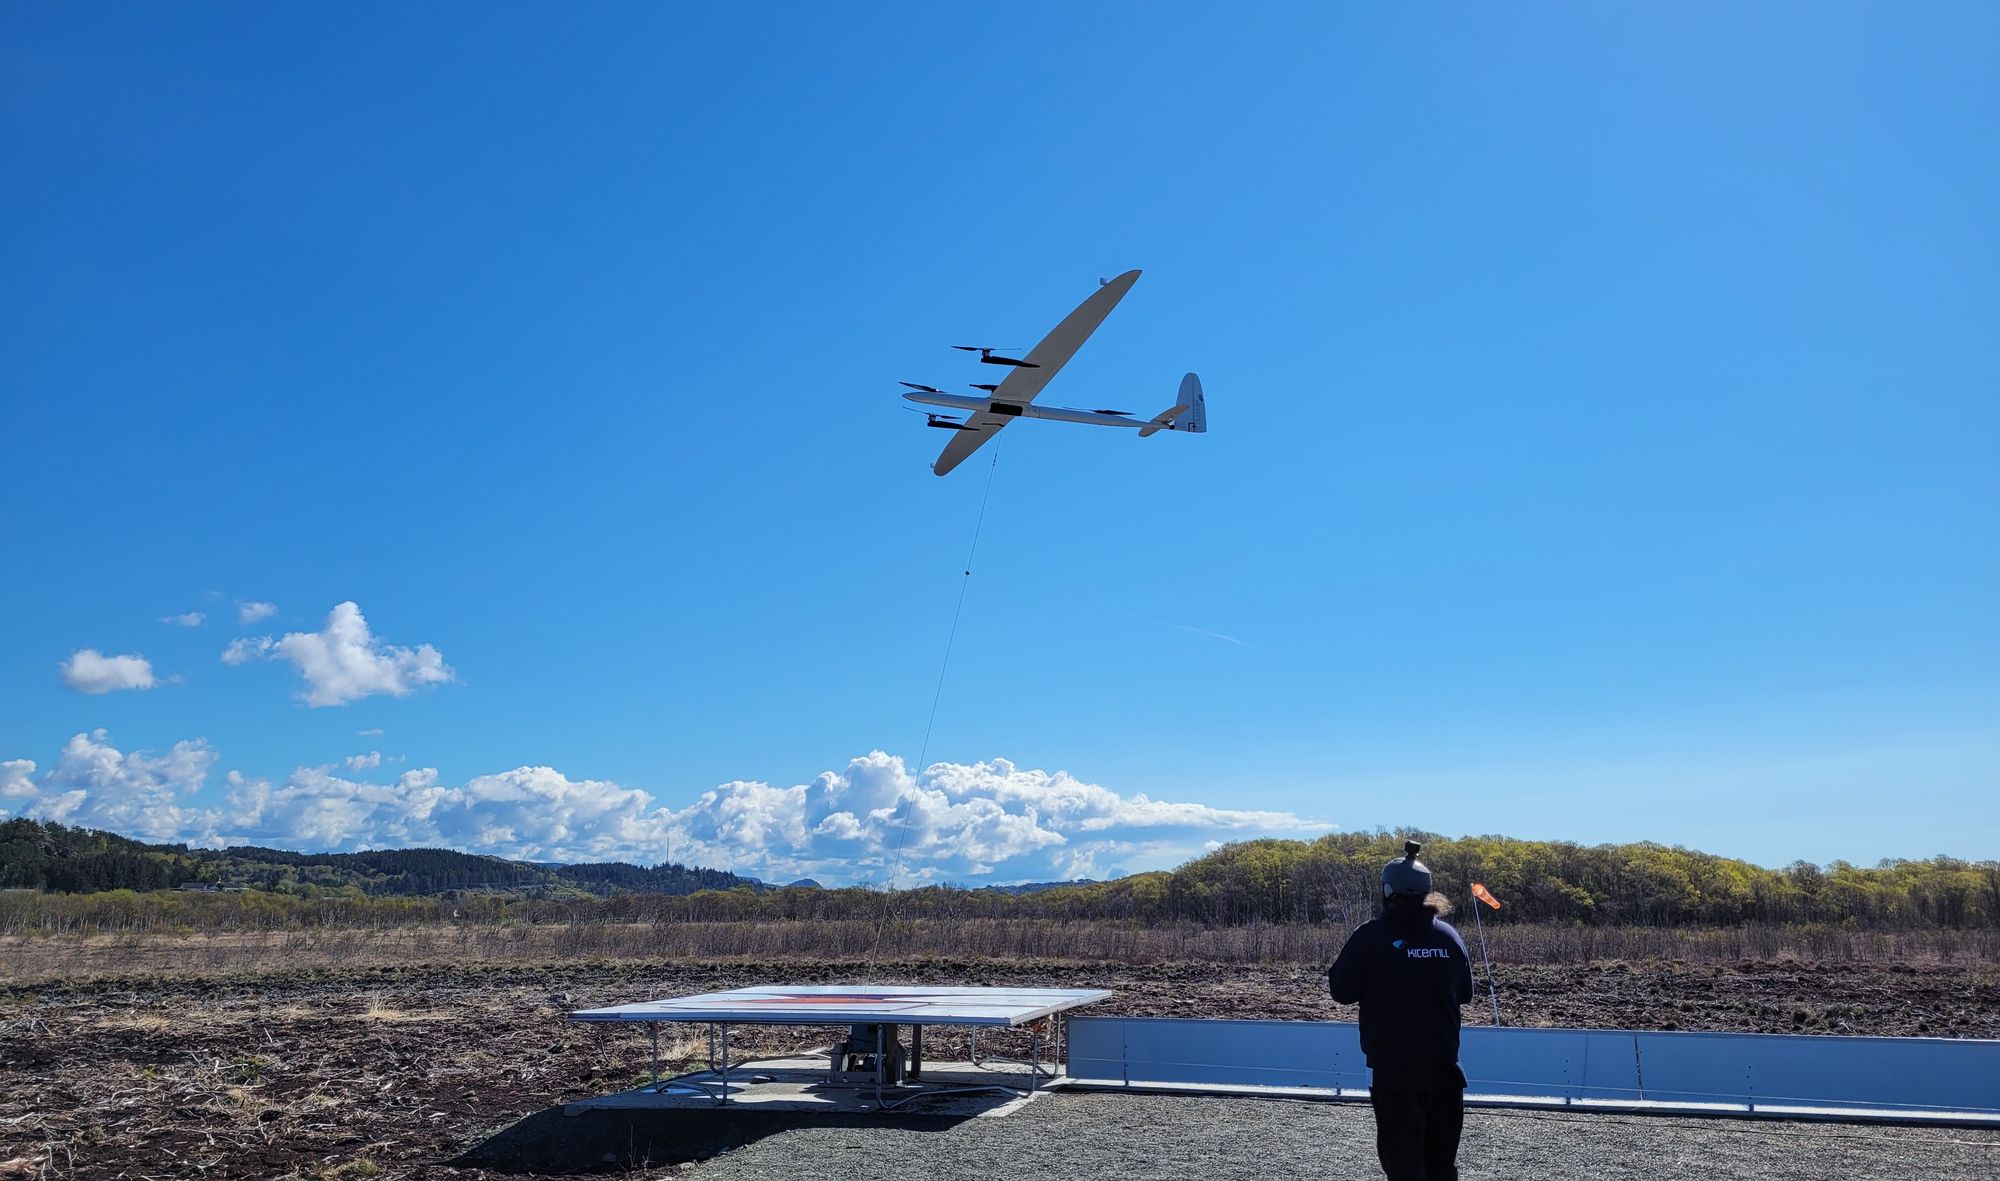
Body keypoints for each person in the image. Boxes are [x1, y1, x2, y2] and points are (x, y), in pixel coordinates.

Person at [1328, 840, 1475, 1181]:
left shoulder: (1371, 936)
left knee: (1404, 1166)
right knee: (1441, 1167)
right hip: (1445, 1071)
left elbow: (1341, 991)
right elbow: (1465, 993)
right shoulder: (1450, 937)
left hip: (1394, 1073)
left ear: (1388, 891)